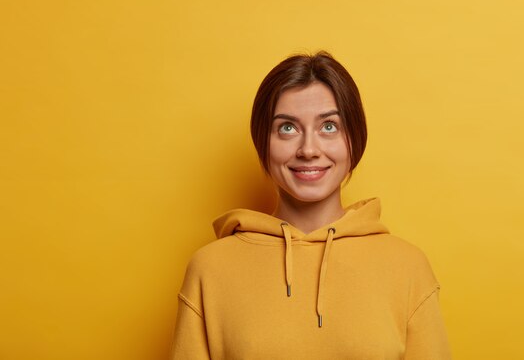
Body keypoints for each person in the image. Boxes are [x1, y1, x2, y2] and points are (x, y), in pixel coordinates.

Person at [170, 51, 452, 359]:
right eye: (287, 128)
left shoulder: (408, 268)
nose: (308, 149)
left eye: (329, 126)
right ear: (263, 141)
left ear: (354, 139)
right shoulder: (210, 270)